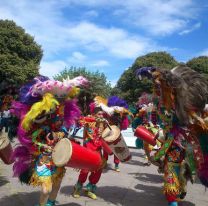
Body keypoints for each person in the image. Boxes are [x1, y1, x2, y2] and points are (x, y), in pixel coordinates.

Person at [72, 106, 107, 200]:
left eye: (102, 114)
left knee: (98, 170)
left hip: (98, 150)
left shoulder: (104, 124)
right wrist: (90, 118)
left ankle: (89, 189)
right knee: (85, 170)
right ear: (94, 114)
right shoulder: (88, 121)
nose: (101, 116)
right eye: (99, 114)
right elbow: (79, 120)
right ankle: (77, 187)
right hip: (88, 150)